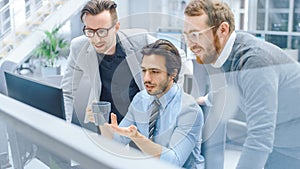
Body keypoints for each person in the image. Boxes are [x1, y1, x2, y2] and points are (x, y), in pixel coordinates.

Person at [183, 0, 300, 169]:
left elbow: (259, 138)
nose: (189, 44)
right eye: (186, 35)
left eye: (195, 35)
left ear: (223, 30)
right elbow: (233, 85)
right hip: (281, 141)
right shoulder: (227, 53)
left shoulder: (255, 62)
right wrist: (207, 99)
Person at [61, 0, 186, 125]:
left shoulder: (140, 40)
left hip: (141, 123)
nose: (96, 39)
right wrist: (66, 126)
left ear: (116, 27)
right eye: (90, 31)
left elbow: (178, 56)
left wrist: (169, 101)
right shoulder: (79, 47)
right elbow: (67, 91)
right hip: (106, 125)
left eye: (102, 32)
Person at [100, 39, 204, 169]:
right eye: (144, 70)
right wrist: (101, 122)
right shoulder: (140, 99)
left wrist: (136, 137)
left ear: (173, 73)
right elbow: (117, 143)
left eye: (155, 72)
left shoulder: (189, 110)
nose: (146, 79)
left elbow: (173, 162)